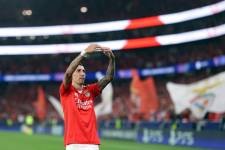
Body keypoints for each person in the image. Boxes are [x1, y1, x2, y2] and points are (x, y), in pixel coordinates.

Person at [59, 44, 115, 150]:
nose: (82, 73)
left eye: (84, 71)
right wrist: (84, 53)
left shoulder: (90, 90)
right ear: (72, 75)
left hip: (91, 143)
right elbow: (67, 74)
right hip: (73, 143)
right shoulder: (66, 91)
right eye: (78, 71)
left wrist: (112, 59)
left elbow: (109, 77)